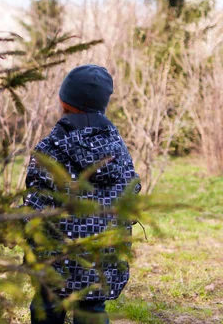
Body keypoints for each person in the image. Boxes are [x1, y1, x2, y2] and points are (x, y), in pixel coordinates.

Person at [23, 64, 141, 324]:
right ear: (103, 105)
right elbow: (131, 192)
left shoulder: (50, 149)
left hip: (55, 260)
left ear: (62, 100)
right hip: (101, 258)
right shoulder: (118, 148)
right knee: (92, 311)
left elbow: (35, 204)